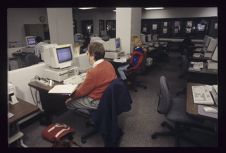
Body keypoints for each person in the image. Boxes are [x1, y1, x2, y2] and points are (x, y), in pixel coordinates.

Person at [65, 42, 117, 110]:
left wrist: (70, 95)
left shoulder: (93, 72)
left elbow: (80, 93)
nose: (87, 55)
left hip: (97, 101)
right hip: (108, 98)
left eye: (88, 53)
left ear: (92, 56)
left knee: (69, 103)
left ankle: (92, 114)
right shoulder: (109, 64)